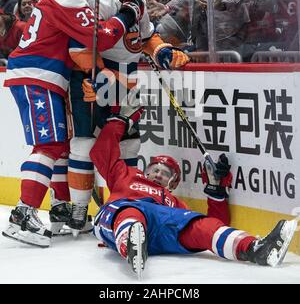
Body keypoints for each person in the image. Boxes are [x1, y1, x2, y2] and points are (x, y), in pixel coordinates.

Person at [1, 0, 145, 248]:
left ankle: (60, 210)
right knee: (51, 145)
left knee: (61, 146)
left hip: (42, 76)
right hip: (38, 76)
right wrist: (127, 14)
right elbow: (102, 38)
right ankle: (22, 215)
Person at [90, 93, 298, 277]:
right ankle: (131, 244)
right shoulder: (126, 175)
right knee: (132, 214)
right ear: (146, 170)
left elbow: (215, 223)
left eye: (166, 173)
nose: (159, 174)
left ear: (173, 183)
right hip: (122, 213)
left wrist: (216, 192)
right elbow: (101, 151)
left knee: (201, 226)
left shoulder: (173, 203)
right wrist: (120, 121)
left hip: (163, 226)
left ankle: (257, 249)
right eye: (155, 169)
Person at [66, 0, 190, 235]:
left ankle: (123, 203)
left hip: (124, 81)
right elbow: (86, 39)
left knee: (129, 143)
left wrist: (162, 51)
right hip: (96, 75)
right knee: (85, 142)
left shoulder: (138, 0)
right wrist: (93, 73)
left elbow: (146, 37)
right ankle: (78, 211)